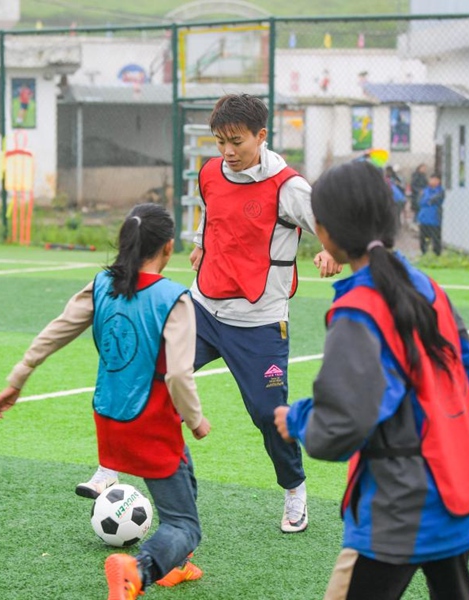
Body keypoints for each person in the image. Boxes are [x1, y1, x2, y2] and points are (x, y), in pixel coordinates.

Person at [77, 94, 341, 535]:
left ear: (261, 136)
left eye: (236, 142)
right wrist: (201, 240)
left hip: (259, 321)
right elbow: (209, 212)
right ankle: (111, 466)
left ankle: (294, 488)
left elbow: (328, 225)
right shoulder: (211, 172)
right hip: (203, 307)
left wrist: (331, 251)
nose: (227, 152)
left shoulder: (288, 186)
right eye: (219, 142)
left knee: (266, 413)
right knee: (150, 373)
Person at [274, 160, 469, 599]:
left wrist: (295, 420)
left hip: (401, 506)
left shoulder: (359, 310)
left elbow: (341, 424)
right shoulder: (428, 288)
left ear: (325, 230)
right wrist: (459, 456)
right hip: (457, 490)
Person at [0, 203, 211, 598]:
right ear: (168, 247)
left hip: (110, 418)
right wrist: (195, 419)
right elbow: (179, 374)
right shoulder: (174, 298)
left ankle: (177, 562)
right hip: (152, 420)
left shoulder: (101, 285)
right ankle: (139, 570)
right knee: (183, 524)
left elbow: (55, 331)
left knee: (183, 475)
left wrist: (18, 377)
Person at [417, 173, 445, 256]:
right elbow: (420, 202)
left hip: (434, 219)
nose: (432, 181)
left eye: (435, 179)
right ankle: (424, 253)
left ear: (439, 181)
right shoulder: (424, 190)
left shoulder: (440, 191)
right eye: (431, 179)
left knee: (436, 238)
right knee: (423, 238)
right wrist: (428, 201)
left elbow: (436, 200)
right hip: (424, 218)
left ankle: (436, 254)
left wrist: (428, 201)